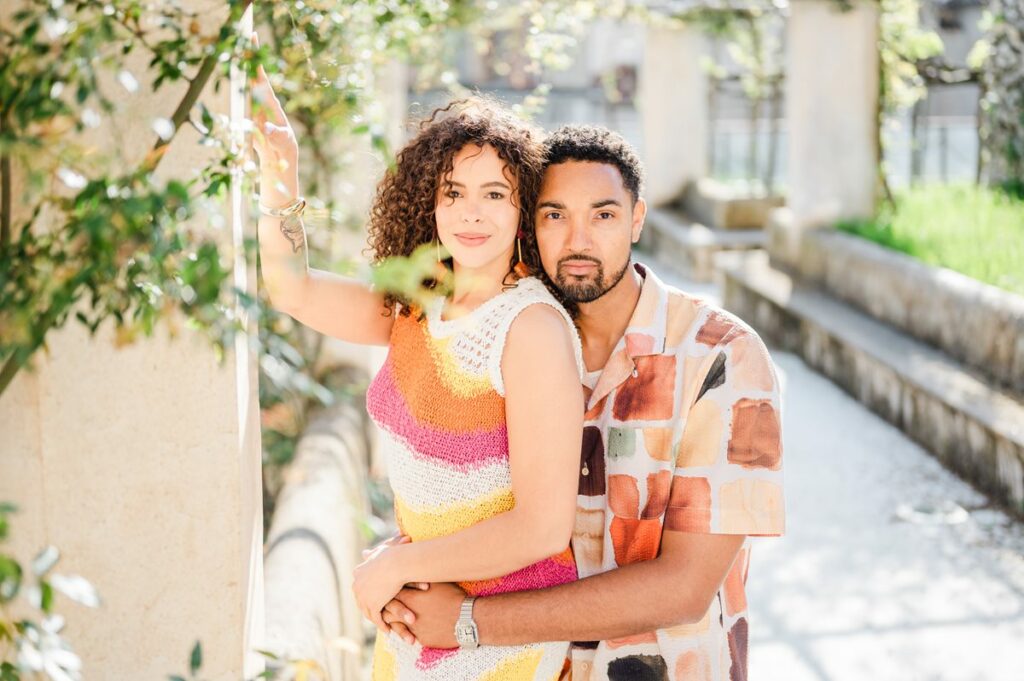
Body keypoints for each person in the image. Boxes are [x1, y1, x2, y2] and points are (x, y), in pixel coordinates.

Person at [381, 125, 786, 681]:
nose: (578, 240)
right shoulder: (512, 332)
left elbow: (686, 587)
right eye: (554, 215)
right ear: (530, 225)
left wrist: (469, 620)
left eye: (603, 215)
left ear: (637, 219)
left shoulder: (721, 356)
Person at [250, 48, 586, 679]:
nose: (470, 212)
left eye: (495, 193)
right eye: (453, 191)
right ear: (428, 203)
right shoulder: (420, 304)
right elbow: (292, 290)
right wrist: (280, 174)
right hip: (417, 619)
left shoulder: (529, 327)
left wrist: (396, 565)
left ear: (523, 211)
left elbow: (543, 527)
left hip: (502, 632)